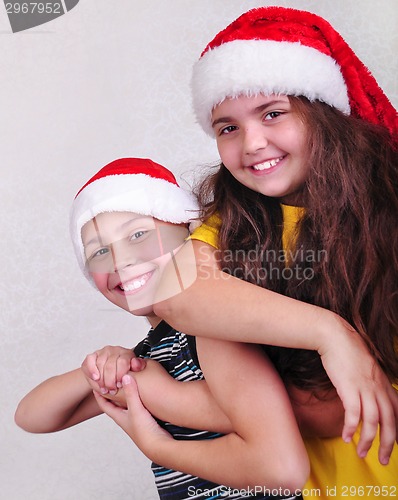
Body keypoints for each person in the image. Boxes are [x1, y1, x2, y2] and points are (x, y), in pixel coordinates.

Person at [99, 7, 398, 499]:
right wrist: (331, 334)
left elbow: (335, 412)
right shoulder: (238, 222)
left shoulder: (384, 213)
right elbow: (178, 294)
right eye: (227, 128)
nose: (252, 143)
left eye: (273, 113)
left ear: (322, 109)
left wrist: (165, 401)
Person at [15, 157, 312, 500]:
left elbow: (270, 430)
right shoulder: (147, 357)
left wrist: (147, 394)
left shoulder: (213, 324)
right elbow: (31, 416)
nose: (120, 260)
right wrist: (99, 370)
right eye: (98, 251)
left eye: (138, 234)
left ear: (190, 232)